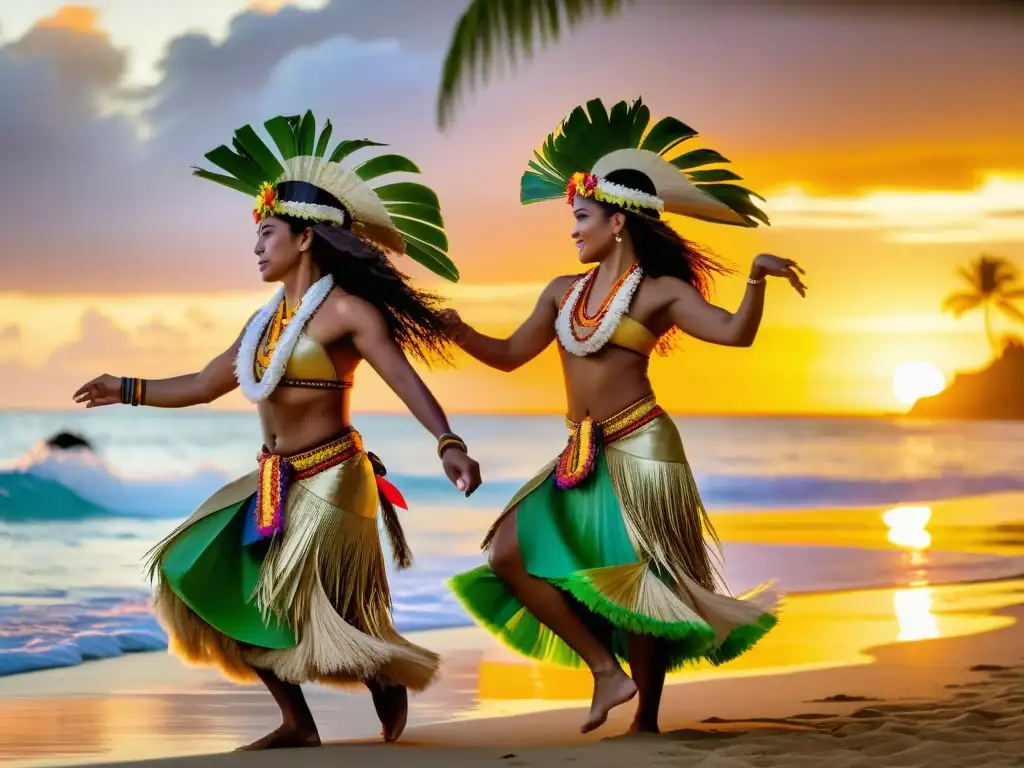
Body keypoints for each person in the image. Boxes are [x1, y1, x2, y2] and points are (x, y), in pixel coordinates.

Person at [72, 110, 481, 750]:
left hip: (334, 478)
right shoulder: (263, 323)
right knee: (197, 570)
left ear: (305, 239)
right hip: (273, 478)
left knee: (305, 602)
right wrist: (125, 388)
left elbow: (405, 380)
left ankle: (377, 669)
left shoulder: (347, 311)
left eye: (267, 233)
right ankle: (298, 721)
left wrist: (448, 443)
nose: (257, 247)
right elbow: (205, 383)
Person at [444, 98, 806, 736]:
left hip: (642, 447)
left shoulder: (660, 292)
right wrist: (459, 329)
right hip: (580, 451)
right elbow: (506, 356)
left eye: (581, 217)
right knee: (507, 553)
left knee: (645, 581)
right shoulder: (562, 291)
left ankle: (647, 721)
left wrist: (755, 280)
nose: (573, 230)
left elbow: (734, 335)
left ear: (616, 222)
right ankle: (604, 671)